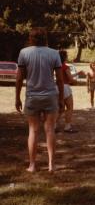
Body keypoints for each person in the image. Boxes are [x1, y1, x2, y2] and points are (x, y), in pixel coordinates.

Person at [15, 27, 64, 172]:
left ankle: (32, 165)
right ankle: (51, 165)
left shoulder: (24, 53)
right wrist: (61, 99)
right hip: (50, 96)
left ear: (31, 38)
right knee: (50, 130)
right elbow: (60, 80)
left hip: (32, 96)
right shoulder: (54, 53)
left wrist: (17, 98)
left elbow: (19, 78)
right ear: (45, 38)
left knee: (33, 130)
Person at [56, 50, 83, 133]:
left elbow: (66, 77)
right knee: (69, 107)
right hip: (65, 87)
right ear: (65, 57)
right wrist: (78, 82)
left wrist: (77, 73)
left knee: (60, 108)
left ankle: (53, 125)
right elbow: (70, 79)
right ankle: (67, 126)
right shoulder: (65, 66)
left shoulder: (57, 66)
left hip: (56, 87)